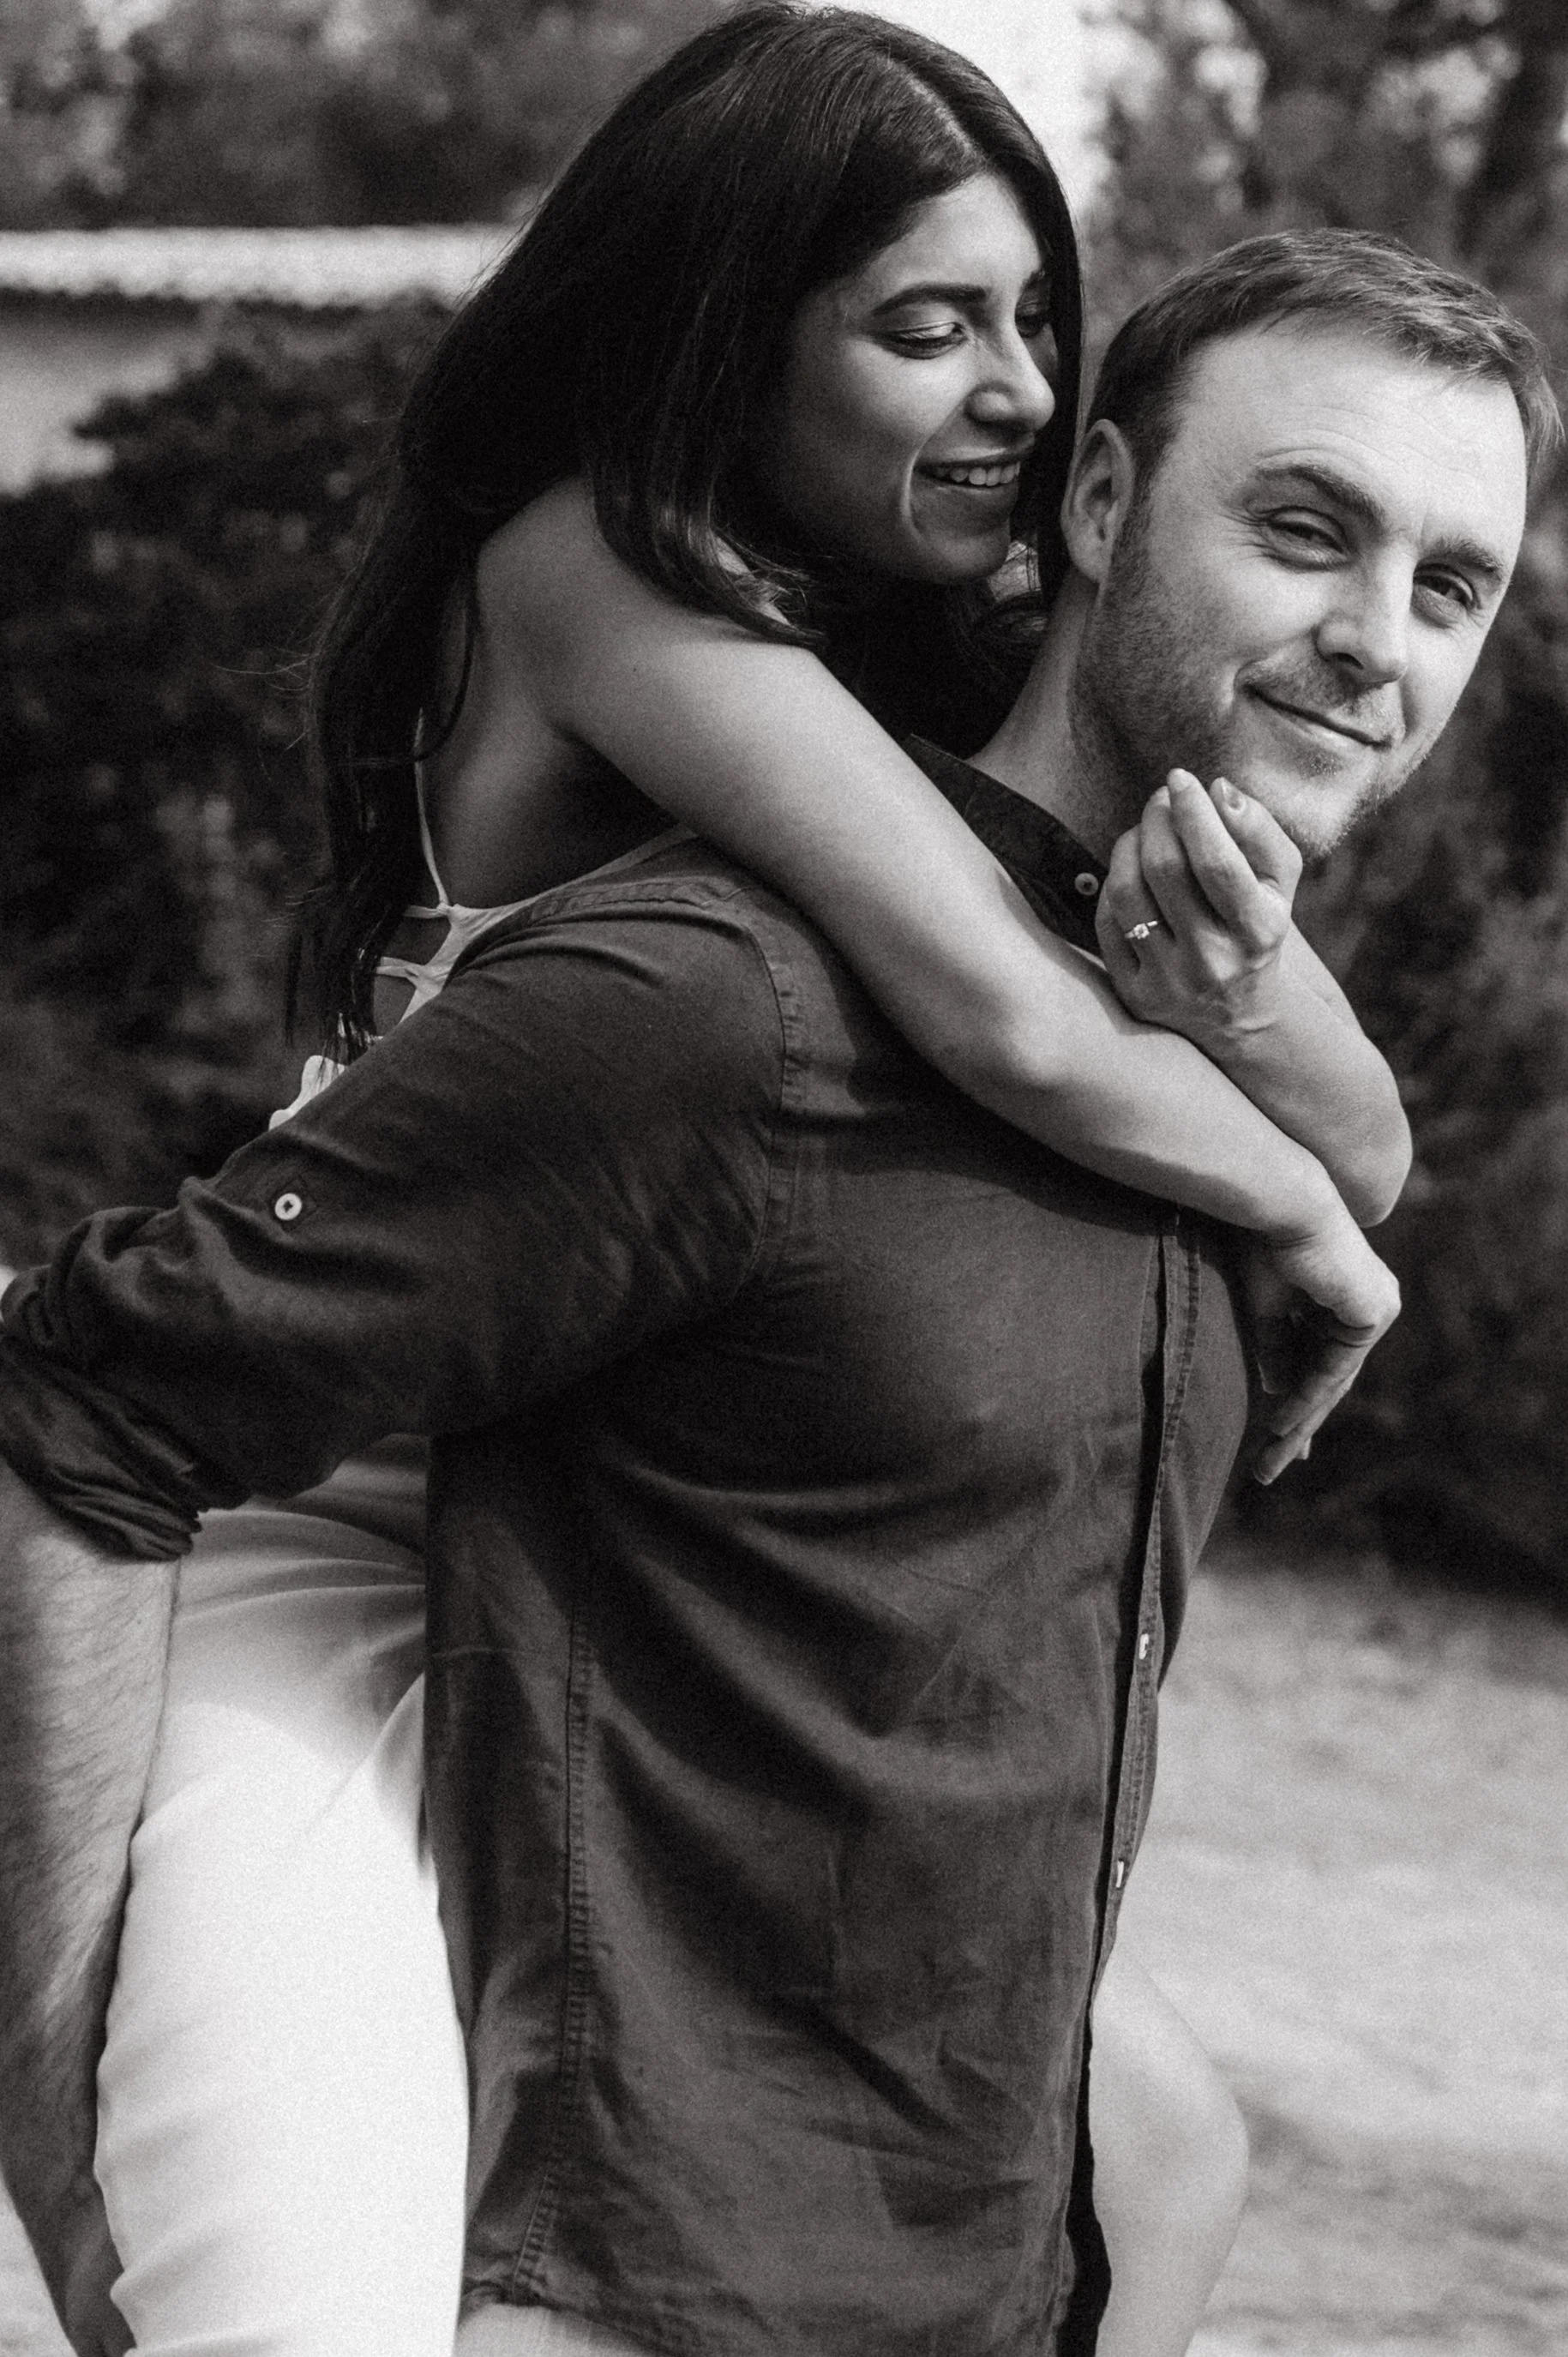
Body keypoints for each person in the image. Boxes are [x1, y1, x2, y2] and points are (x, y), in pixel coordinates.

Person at [0, 34, 1548, 2357]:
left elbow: (1278, 1074)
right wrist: (1319, 1235)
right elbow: (995, 1012)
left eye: (1033, 318)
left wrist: (1284, 1092)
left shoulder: (910, 696)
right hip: (326, 1466)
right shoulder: (612, 605)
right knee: (276, 2257)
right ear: (729, 323)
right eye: (923, 325)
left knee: (1171, 2146)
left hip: (554, 1440)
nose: (1009, 391)